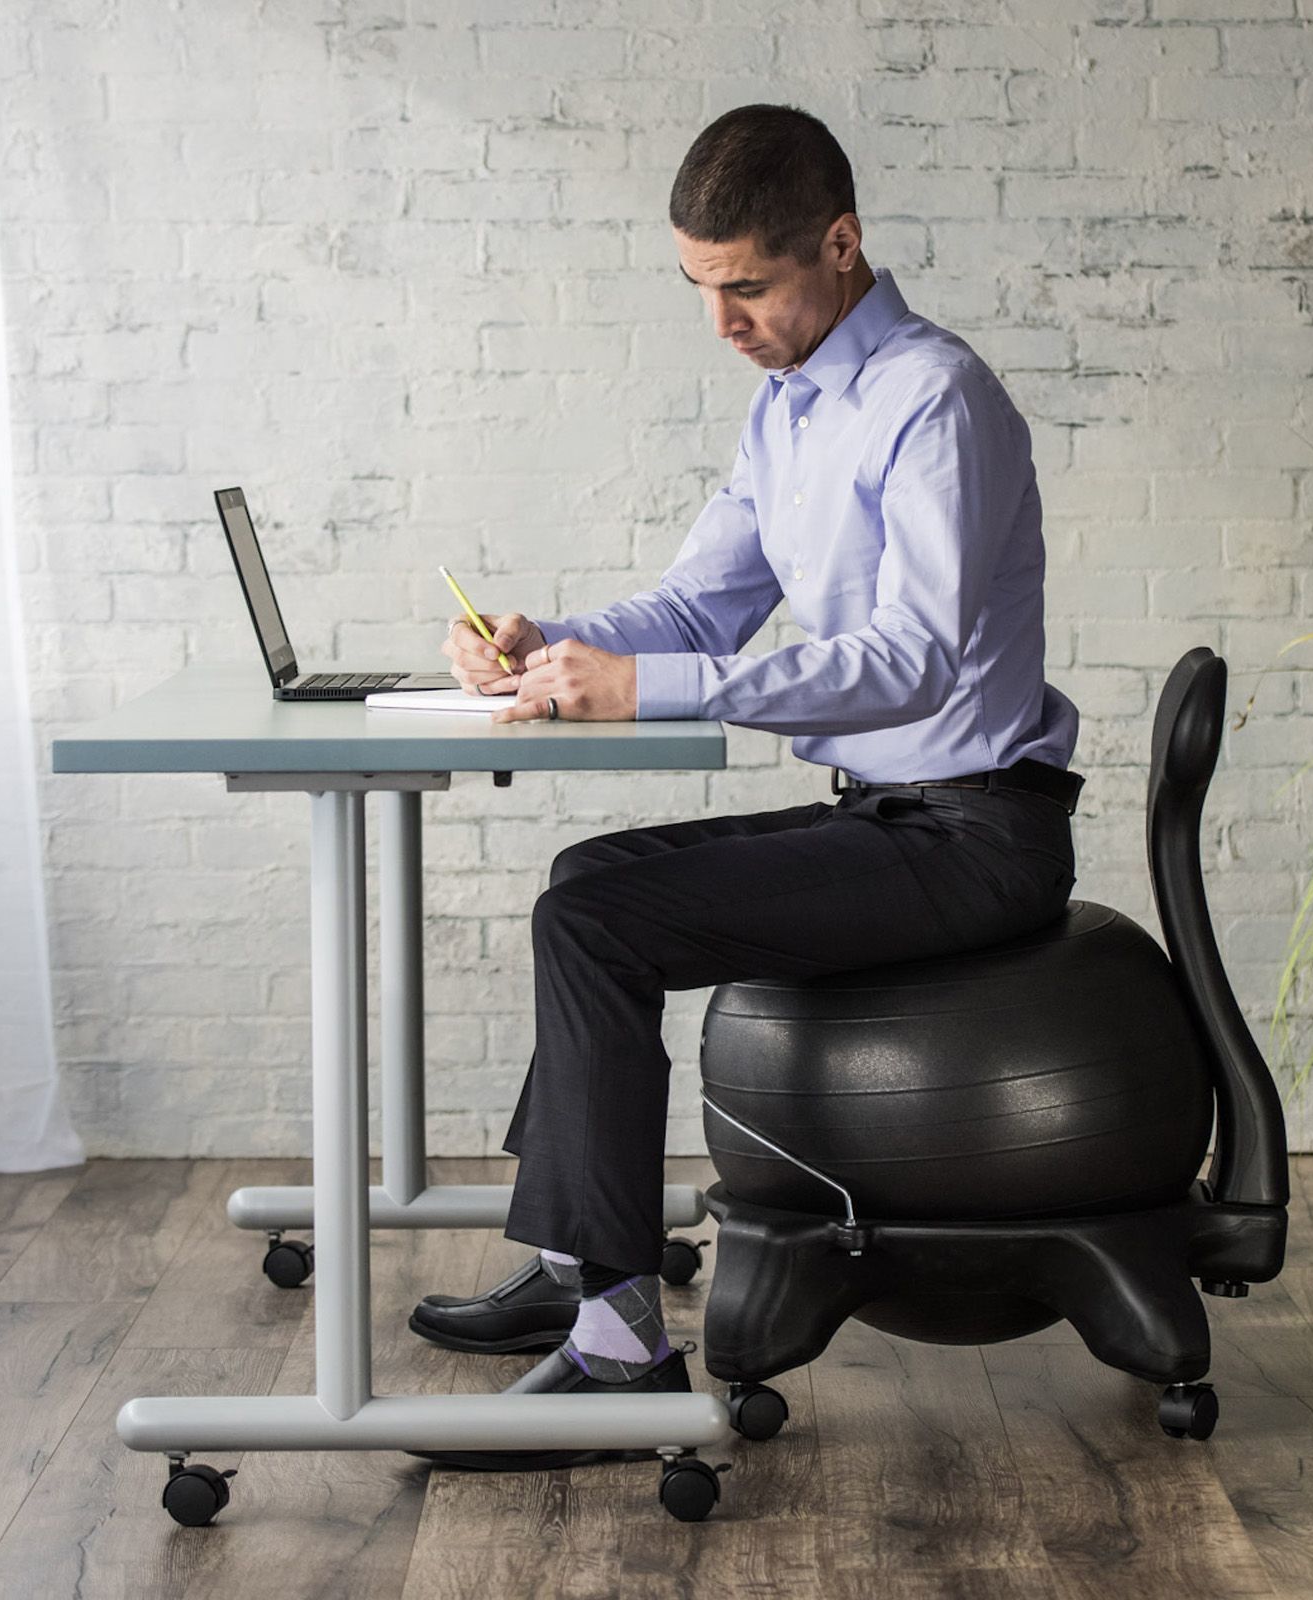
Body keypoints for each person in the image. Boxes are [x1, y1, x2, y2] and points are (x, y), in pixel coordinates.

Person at [406, 103, 1083, 1473]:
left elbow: (912, 661)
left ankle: (619, 1353)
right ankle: (577, 1263)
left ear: (839, 244)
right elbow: (695, 608)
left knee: (596, 920)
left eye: (748, 288)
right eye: (700, 289)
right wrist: (555, 649)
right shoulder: (788, 405)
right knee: (587, 880)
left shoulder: (936, 402)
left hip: (976, 837)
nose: (723, 324)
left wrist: (648, 690)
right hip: (891, 817)